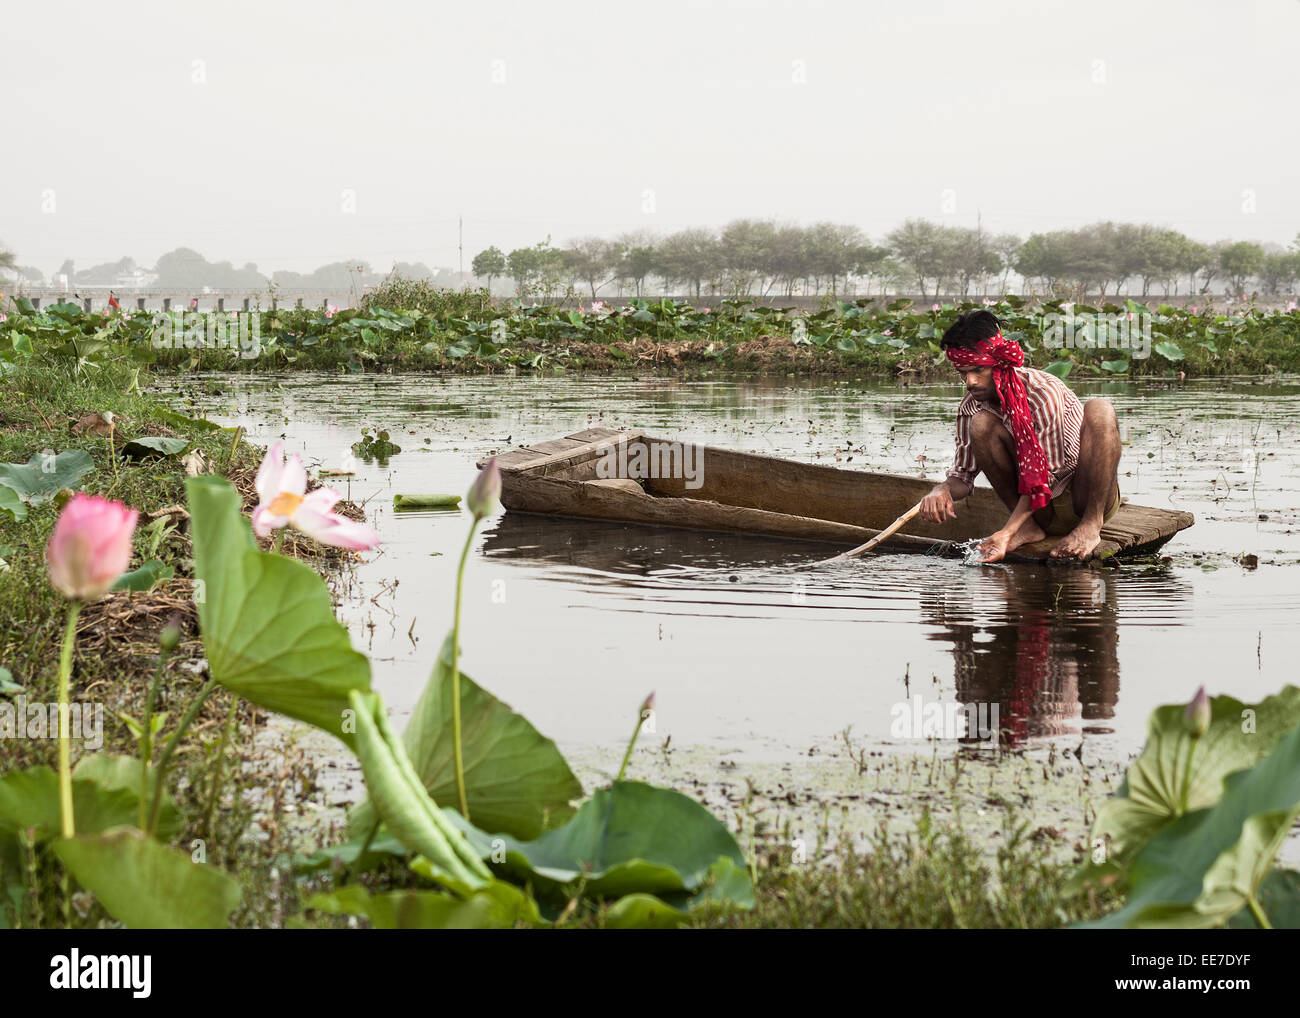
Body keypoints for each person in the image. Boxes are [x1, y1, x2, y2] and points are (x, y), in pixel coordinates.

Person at [918, 309, 1122, 562]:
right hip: (1039, 513)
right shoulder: (971, 407)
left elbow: (1046, 479)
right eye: (963, 373)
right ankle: (1028, 527)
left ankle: (1091, 526)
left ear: (999, 365)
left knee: (1100, 409)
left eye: (978, 371)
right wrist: (941, 490)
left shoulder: (1042, 393)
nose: (970, 382)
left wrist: (1007, 531)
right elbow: (962, 476)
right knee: (981, 423)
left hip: (1083, 498)